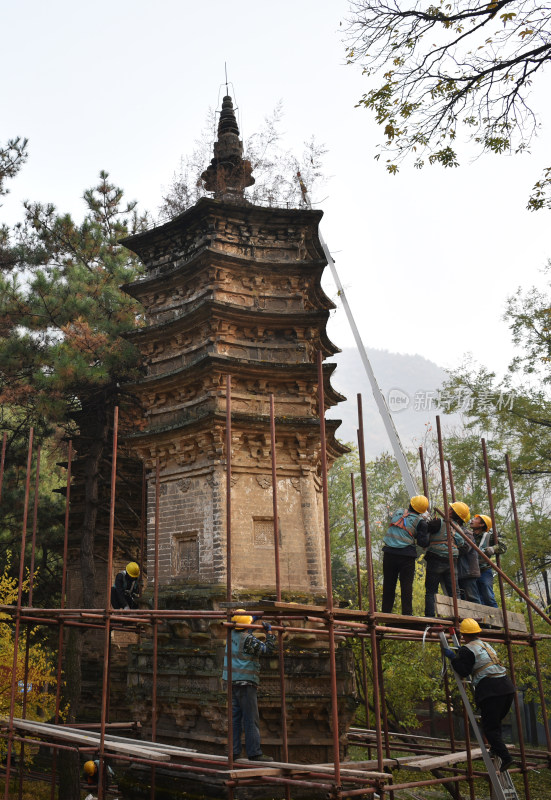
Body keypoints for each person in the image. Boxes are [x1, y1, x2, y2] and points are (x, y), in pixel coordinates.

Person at [443, 618, 515, 771]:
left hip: (491, 690)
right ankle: (497, 749)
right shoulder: (485, 645)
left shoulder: (466, 649)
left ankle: (506, 757)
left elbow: (464, 671)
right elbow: (474, 662)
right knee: (495, 724)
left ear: (464, 635)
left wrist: (453, 658)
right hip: (507, 688)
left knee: (489, 728)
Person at [222, 609, 276, 762]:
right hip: (246, 683)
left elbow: (244, 624)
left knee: (235, 718)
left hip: (232, 682)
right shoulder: (248, 640)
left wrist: (254, 617)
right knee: (250, 718)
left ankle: (234, 752)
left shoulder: (231, 634)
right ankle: (254, 752)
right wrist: (270, 633)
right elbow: (267, 649)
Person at [381, 495, 430, 616]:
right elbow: (422, 542)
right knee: (406, 587)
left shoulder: (398, 512)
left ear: (410, 504)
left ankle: (385, 614)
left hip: (389, 553)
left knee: (388, 585)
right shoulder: (421, 522)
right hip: (406, 557)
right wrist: (427, 528)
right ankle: (407, 615)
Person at [424, 501, 470, 618]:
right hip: (451, 561)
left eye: (449, 508)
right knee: (454, 592)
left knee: (431, 591)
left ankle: (430, 617)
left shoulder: (439, 522)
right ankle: (458, 617)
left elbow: (426, 529)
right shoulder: (458, 529)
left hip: (435, 558)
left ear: (450, 511)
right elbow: (462, 544)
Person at [471, 514, 507, 608]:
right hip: (471, 572)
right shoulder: (468, 535)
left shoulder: (488, 536)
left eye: (476, 519)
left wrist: (493, 549)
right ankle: (484, 622)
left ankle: (497, 620)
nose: (472, 520)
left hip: (484, 571)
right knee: (477, 599)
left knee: (488, 597)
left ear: (482, 524)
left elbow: (503, 547)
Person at [457, 525, 482, 604]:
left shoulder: (467, 533)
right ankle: (466, 617)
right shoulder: (457, 531)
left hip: (468, 571)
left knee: (473, 597)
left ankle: (479, 616)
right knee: (462, 598)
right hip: (460, 571)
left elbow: (465, 548)